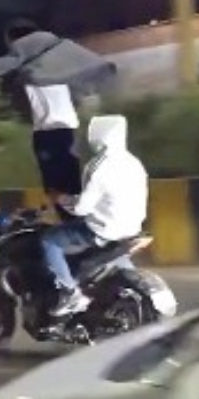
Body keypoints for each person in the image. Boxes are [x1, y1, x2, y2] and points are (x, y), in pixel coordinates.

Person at [0, 19, 115, 218]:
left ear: (17, 40)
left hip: (49, 131)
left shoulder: (28, 52)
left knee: (55, 188)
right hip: (68, 129)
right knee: (71, 185)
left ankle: (68, 226)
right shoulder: (56, 58)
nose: (12, 51)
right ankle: (77, 224)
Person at [41, 114, 148, 316]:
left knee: (49, 240)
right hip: (132, 229)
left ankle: (70, 293)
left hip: (103, 231)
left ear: (98, 135)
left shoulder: (99, 166)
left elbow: (82, 209)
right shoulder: (134, 162)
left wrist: (61, 198)